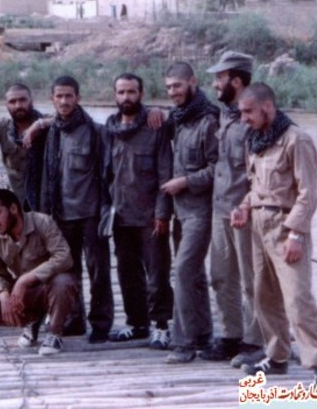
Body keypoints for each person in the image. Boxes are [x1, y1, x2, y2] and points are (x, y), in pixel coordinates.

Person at [231, 82, 317, 386]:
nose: (244, 119)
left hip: (285, 228)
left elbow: (308, 194)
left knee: (298, 300)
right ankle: (277, 357)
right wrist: (244, 207)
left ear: (267, 107)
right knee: (264, 296)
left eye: (248, 112)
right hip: (258, 227)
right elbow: (256, 187)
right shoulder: (256, 140)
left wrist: (296, 235)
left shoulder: (297, 140)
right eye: (241, 112)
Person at [198, 52, 265, 367]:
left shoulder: (258, 119)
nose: (214, 84)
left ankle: (256, 340)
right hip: (220, 210)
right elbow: (187, 105)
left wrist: (249, 205)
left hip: (247, 213)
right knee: (221, 277)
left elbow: (265, 173)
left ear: (236, 81)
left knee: (253, 281)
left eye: (219, 78)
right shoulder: (224, 114)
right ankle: (230, 336)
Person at [40, 75, 114, 343]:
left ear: (78, 98)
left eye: (69, 96)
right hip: (61, 215)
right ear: (52, 99)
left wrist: (105, 210)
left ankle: (101, 324)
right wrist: (45, 215)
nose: (64, 101)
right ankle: (73, 319)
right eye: (59, 96)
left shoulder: (96, 131)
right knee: (67, 272)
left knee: (99, 272)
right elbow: (47, 176)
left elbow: (107, 174)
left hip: (91, 214)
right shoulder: (52, 132)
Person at [103, 73, 174, 350]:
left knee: (157, 275)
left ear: (141, 94)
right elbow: (106, 176)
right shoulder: (109, 130)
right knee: (128, 274)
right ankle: (137, 323)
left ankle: (161, 326)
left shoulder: (155, 127)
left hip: (150, 217)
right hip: (121, 217)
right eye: (121, 92)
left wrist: (162, 213)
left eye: (131, 92)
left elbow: (165, 173)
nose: (126, 97)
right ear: (115, 95)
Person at [0, 189, 79, 355]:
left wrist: (25, 280)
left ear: (13, 209)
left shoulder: (42, 222)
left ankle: (54, 333)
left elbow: (64, 257)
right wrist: (3, 295)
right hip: (25, 295)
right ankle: (32, 321)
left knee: (64, 282)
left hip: (49, 288)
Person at [160, 62, 219, 364]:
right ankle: (204, 335)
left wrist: (185, 181)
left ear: (192, 82)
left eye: (177, 86)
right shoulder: (178, 118)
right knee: (194, 275)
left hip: (201, 211)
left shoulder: (209, 121)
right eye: (168, 87)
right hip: (179, 212)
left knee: (183, 271)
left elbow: (218, 168)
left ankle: (183, 344)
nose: (173, 92)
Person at [0, 82, 46, 211]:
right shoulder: (3, 128)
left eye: (22, 100)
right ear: (6, 105)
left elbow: (63, 118)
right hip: (19, 201)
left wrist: (38, 125)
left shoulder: (47, 125)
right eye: (12, 102)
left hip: (47, 198)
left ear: (31, 101)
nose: (18, 105)